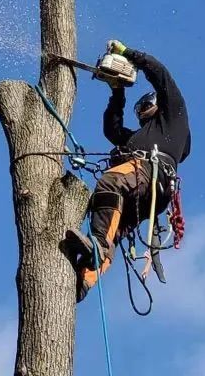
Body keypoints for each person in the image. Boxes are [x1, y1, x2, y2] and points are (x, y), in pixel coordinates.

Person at [66, 40, 191, 302]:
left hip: (149, 173)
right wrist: (117, 92)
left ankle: (98, 246)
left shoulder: (173, 119)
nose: (142, 112)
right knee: (116, 226)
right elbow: (112, 130)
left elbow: (160, 73)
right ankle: (84, 279)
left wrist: (128, 54)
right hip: (146, 192)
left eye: (145, 106)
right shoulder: (140, 137)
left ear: (158, 104)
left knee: (111, 181)